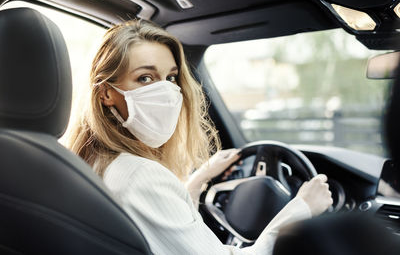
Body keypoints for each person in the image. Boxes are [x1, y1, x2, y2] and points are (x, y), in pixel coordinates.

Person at [65, 19, 333, 254]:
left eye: (171, 78)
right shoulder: (141, 176)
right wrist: (301, 209)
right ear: (106, 93)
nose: (166, 92)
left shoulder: (96, 162)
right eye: (145, 78)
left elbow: (158, 224)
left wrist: (199, 180)